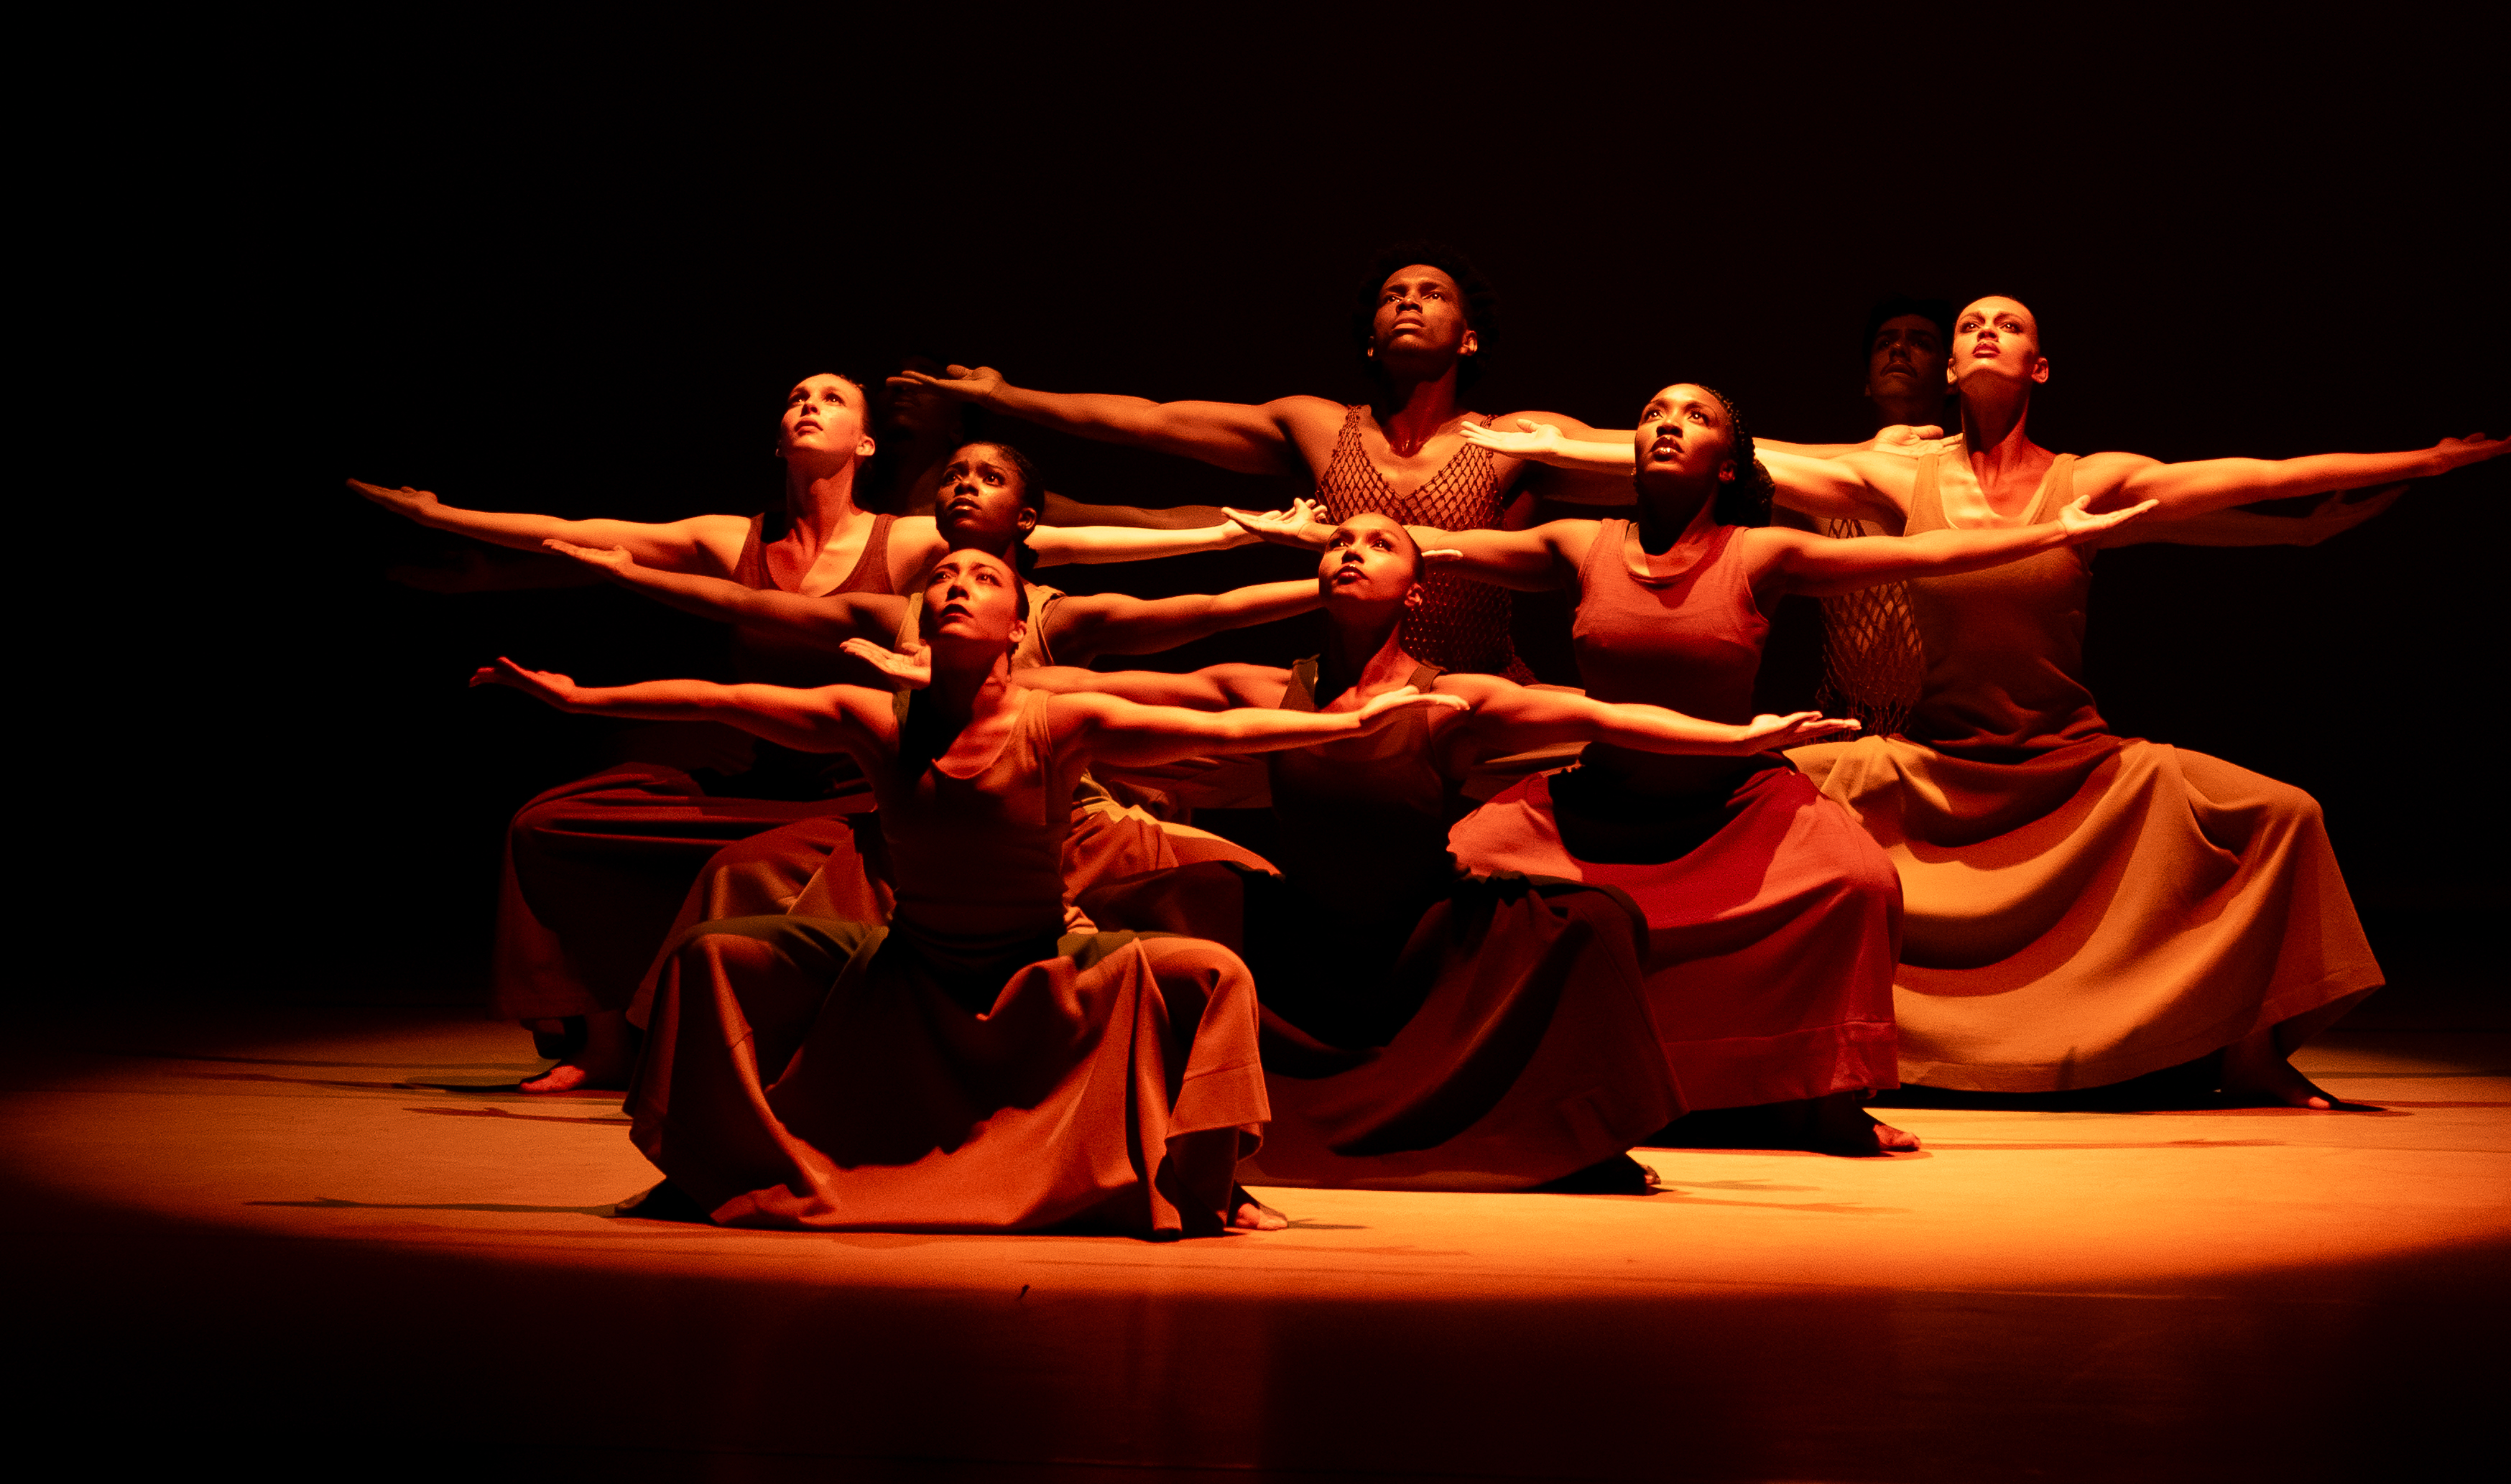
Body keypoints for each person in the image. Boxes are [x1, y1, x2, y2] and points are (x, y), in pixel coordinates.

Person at [1489, 300, 2511, 1107]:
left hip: (2071, 757)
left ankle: (2252, 1056)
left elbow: (2252, 476)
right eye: (1969, 326)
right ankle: (1770, 1053)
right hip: (1935, 761)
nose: (1984, 333)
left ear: (2037, 366)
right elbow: (1729, 455)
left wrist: (2431, 458)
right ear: (1949, 367)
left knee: (2278, 814)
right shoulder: (1897, 477)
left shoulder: (2091, 480)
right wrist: (1543, 445)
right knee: (1755, 804)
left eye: (2009, 326)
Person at [1236, 384, 2157, 1151]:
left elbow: (1920, 549)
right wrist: (1319, 541)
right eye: (1650, 413)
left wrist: (2045, 533)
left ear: (1727, 463)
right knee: (1465, 865)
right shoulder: (1577, 544)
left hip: (1729, 797)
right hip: (1597, 797)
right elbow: (1436, 546)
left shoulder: (1762, 550)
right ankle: (1474, 1076)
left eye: (1693, 415)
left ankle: (1824, 1098)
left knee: (1858, 880)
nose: (1664, 423)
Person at [472, 548, 1466, 1236]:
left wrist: (1346, 727)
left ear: (1014, 624)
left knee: (1209, 975)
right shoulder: (875, 716)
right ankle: (708, 1170)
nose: (954, 586)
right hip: (903, 966)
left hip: (1044, 958)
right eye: (940, 578)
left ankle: (1208, 1190)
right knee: (711, 955)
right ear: (919, 618)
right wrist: (581, 699)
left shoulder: (1057, 719)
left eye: (980, 578)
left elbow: (1233, 735)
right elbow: (725, 699)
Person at [862, 511, 1854, 1189]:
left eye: (1377, 543)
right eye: (1337, 540)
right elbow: (1090, 695)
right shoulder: (1259, 689)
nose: (1349, 551)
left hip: (1417, 943)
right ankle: (1153, 1124)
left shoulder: (1447, 698)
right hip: (1306, 944)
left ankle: (1574, 1138)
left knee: (1594, 921)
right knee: (1176, 903)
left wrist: (1741, 738)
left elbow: (1600, 714)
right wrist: (949, 673)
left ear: (1413, 588)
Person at [347, 376, 1268, 1091]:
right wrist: (446, 517)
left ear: (866, 441)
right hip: (753, 763)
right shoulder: (734, 537)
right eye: (794, 397)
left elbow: (1087, 559)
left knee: (737, 872)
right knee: (551, 822)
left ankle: (684, 1046)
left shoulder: (918, 551)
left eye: (829, 398)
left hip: (862, 781)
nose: (805, 407)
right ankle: (597, 1041)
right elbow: (590, 539)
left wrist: (1236, 535)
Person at [896, 244, 1921, 678]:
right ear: (1368, 333)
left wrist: (1874, 463)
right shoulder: (1310, 424)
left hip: (1473, 682)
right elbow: (1148, 420)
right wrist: (998, 399)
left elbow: (1692, 452)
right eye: (1391, 292)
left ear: (1467, 337)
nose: (1407, 301)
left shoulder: (1515, 435)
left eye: (1430, 292)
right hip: (1336, 680)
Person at [1474, 297, 2402, 732]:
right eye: (1887, 341)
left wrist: (2294, 531)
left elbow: (2160, 513)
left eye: (1923, 341)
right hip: (1865, 713)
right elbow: (1696, 458)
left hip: (1959, 712)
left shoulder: (2039, 475)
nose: (1903, 354)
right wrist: (1556, 444)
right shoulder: (1860, 468)